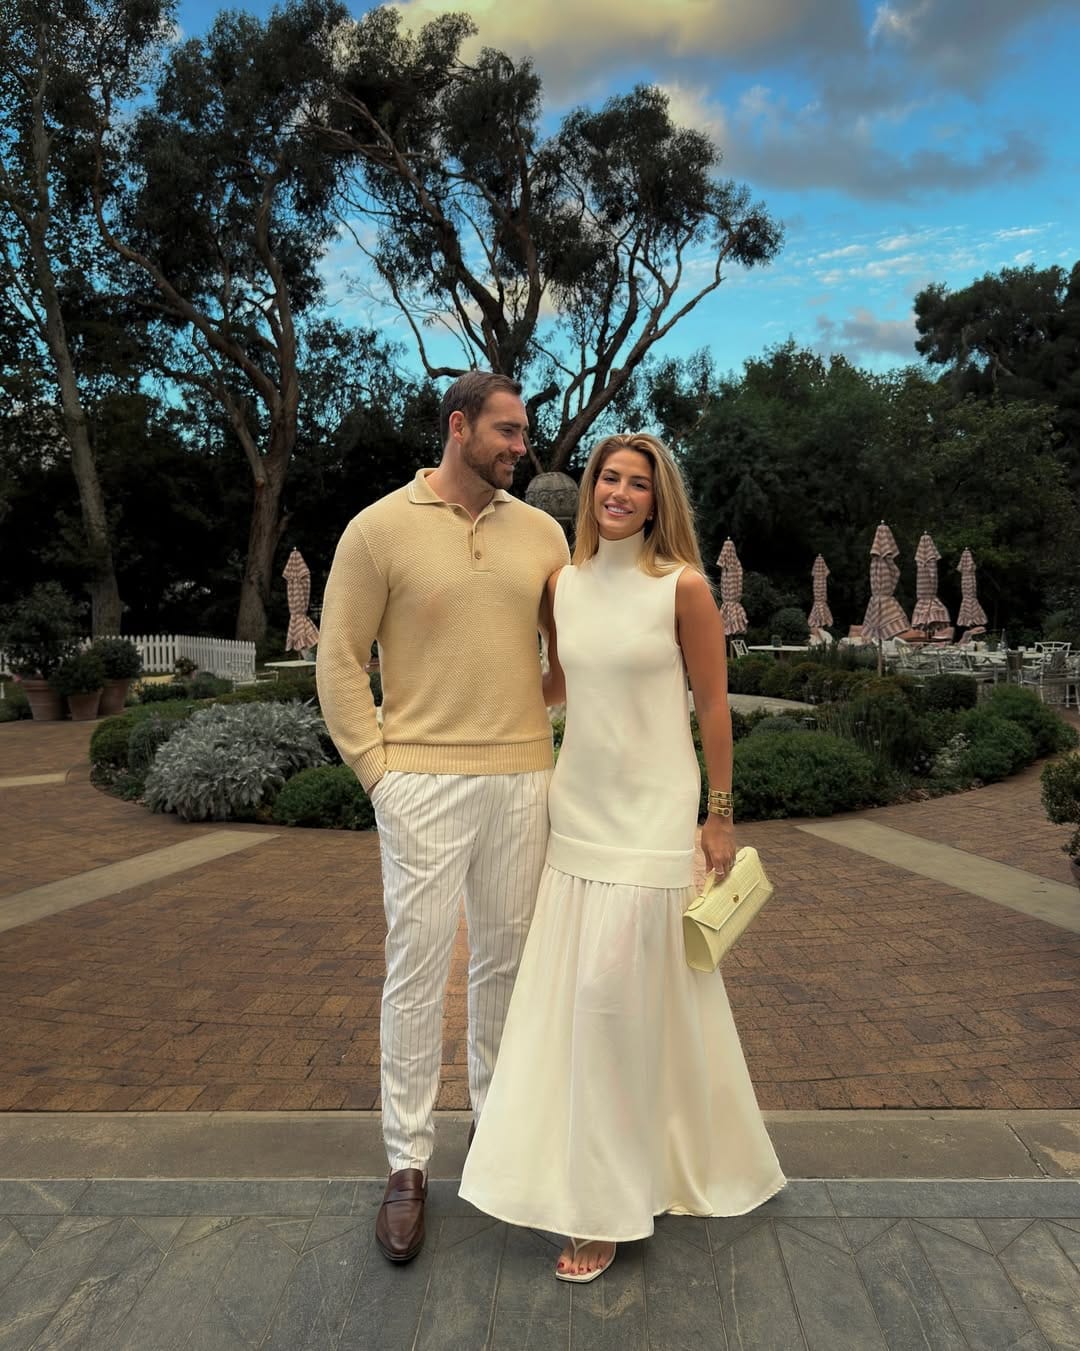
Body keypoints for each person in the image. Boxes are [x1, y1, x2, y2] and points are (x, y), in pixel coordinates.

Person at [459, 432, 785, 1281]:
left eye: (638, 484)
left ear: (656, 499)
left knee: (608, 998)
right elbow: (561, 683)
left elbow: (713, 706)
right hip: (578, 813)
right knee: (606, 1001)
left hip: (653, 816)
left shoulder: (681, 587)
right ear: (590, 488)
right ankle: (654, 1160)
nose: (620, 493)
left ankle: (604, 1207)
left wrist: (719, 815)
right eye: (610, 477)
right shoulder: (563, 585)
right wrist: (479, 712)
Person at [316, 371, 570, 1264]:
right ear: (458, 428)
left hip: (522, 779)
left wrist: (532, 707)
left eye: (524, 432)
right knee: (417, 969)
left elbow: (570, 643)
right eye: (506, 431)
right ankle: (407, 1163)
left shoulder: (542, 534)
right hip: (420, 781)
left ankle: (497, 1146)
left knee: (507, 965)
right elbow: (339, 660)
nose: (521, 446)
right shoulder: (377, 529)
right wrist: (381, 775)